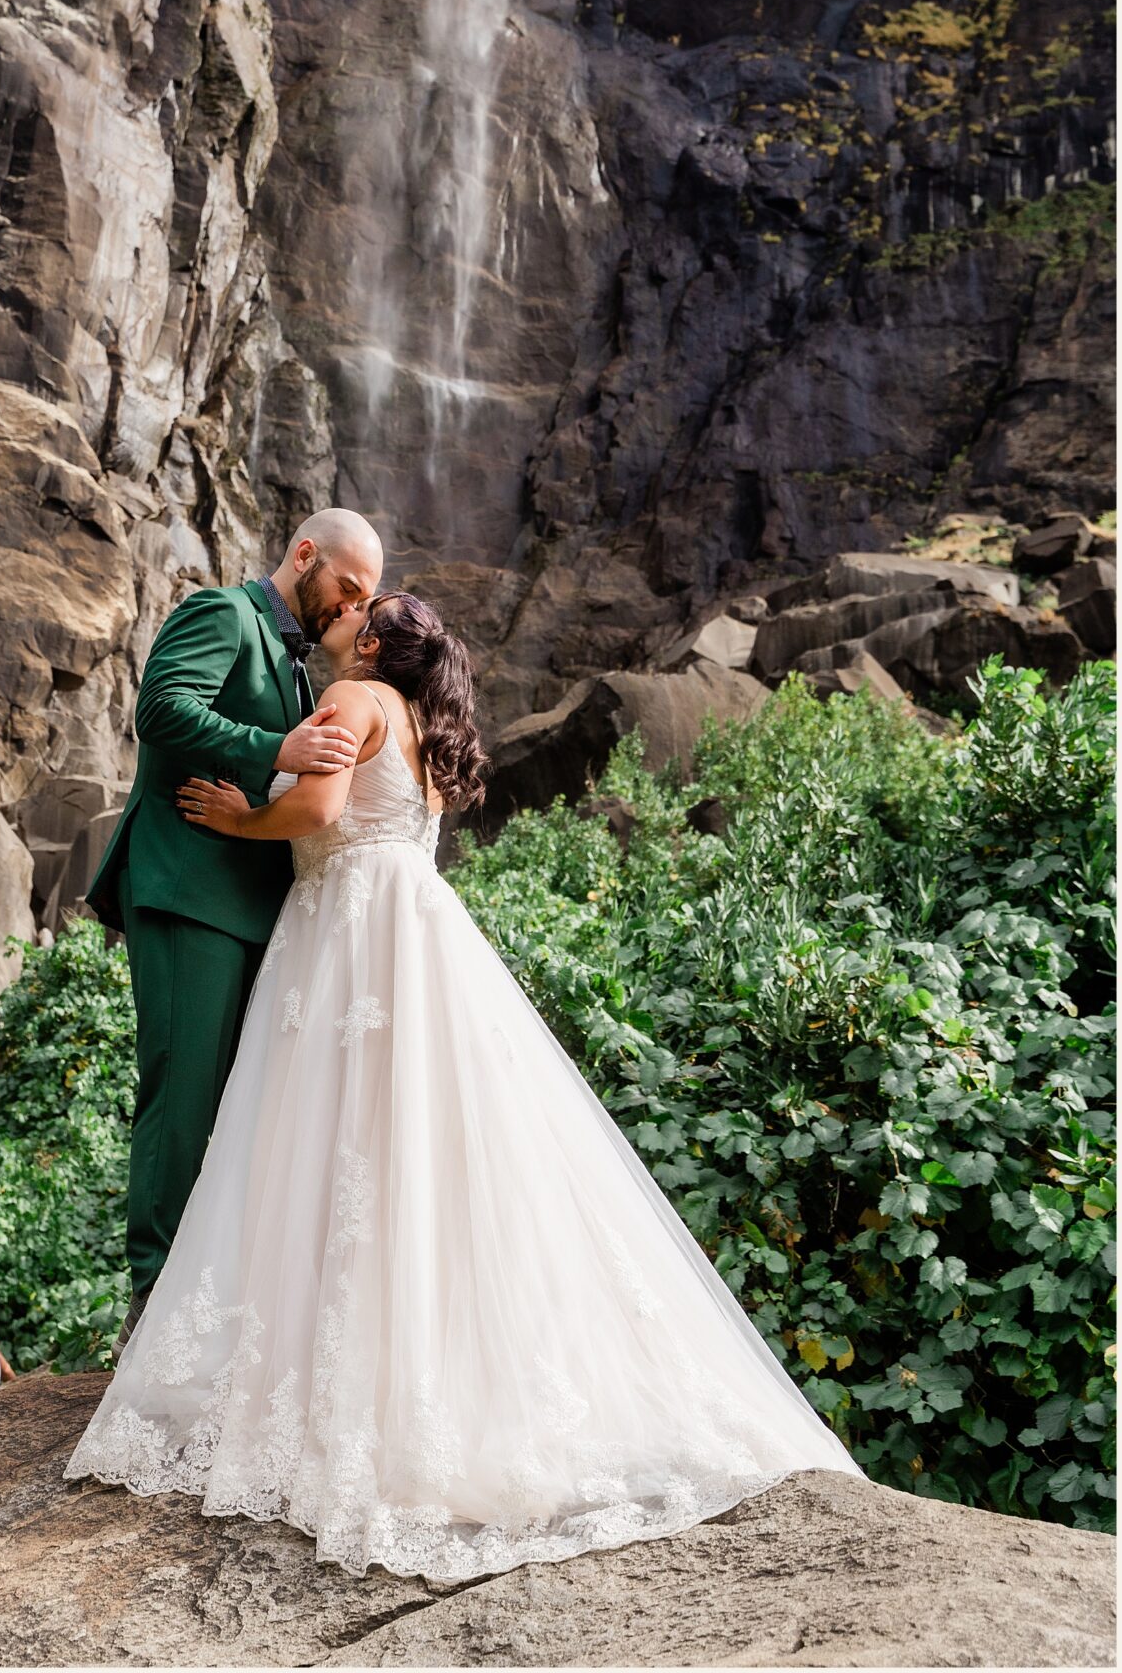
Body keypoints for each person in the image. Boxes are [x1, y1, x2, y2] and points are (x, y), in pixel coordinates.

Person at [66, 589, 865, 1582]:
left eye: (363, 616)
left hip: (346, 934)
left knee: (324, 1142)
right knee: (417, 1151)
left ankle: (325, 1380)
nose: (347, 622)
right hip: (412, 929)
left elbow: (316, 808)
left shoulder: (355, 699)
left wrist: (239, 815)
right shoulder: (427, 731)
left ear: (371, 645)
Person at [84, 509, 387, 1355]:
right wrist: (275, 745)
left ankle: (227, 1308)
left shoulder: (312, 665)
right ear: (304, 556)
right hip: (191, 895)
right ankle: (155, 1309)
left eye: (366, 599)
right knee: (182, 1101)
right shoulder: (223, 613)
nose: (353, 608)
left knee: (251, 1113)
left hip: (267, 913)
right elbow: (162, 710)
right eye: (347, 587)